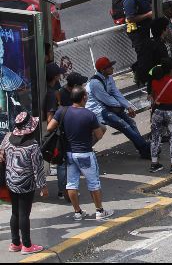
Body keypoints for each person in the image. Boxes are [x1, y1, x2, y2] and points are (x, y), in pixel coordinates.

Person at [47, 87, 112, 221]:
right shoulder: (89, 115)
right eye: (86, 95)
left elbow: (49, 127)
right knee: (93, 183)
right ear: (83, 98)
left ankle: (77, 212)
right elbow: (99, 135)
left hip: (69, 154)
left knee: (71, 184)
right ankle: (99, 211)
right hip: (85, 154)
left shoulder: (62, 111)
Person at [0, 112, 47, 254]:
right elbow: (37, 168)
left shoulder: (8, 138)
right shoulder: (32, 145)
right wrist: (42, 186)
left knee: (15, 212)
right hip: (26, 184)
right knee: (24, 214)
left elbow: (2, 154)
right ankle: (27, 246)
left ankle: (15, 243)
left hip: (11, 180)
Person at [86, 57, 151, 159]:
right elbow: (107, 99)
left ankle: (143, 149)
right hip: (98, 111)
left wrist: (128, 106)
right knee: (124, 125)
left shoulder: (109, 77)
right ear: (103, 70)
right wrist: (123, 108)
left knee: (131, 123)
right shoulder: (95, 83)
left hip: (109, 107)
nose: (112, 68)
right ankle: (145, 148)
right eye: (109, 67)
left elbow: (115, 93)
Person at [149, 59, 172, 174]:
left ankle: (154, 164)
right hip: (171, 112)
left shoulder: (154, 81)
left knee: (155, 137)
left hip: (157, 112)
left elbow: (154, 96)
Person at [123, 0, 153, 86]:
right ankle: (140, 77)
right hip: (136, 31)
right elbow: (130, 18)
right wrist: (148, 15)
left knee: (148, 52)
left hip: (146, 28)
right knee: (142, 54)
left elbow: (150, 4)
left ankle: (143, 74)